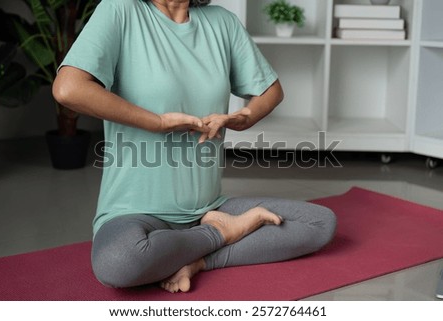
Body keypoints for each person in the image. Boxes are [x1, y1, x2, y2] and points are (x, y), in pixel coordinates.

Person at [52, 0, 337, 293]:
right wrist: (158, 122)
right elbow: (68, 88)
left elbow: (271, 91)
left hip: (208, 207)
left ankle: (197, 257)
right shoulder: (120, 10)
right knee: (119, 262)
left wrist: (244, 117)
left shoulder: (221, 22)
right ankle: (220, 233)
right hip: (134, 212)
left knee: (319, 223)